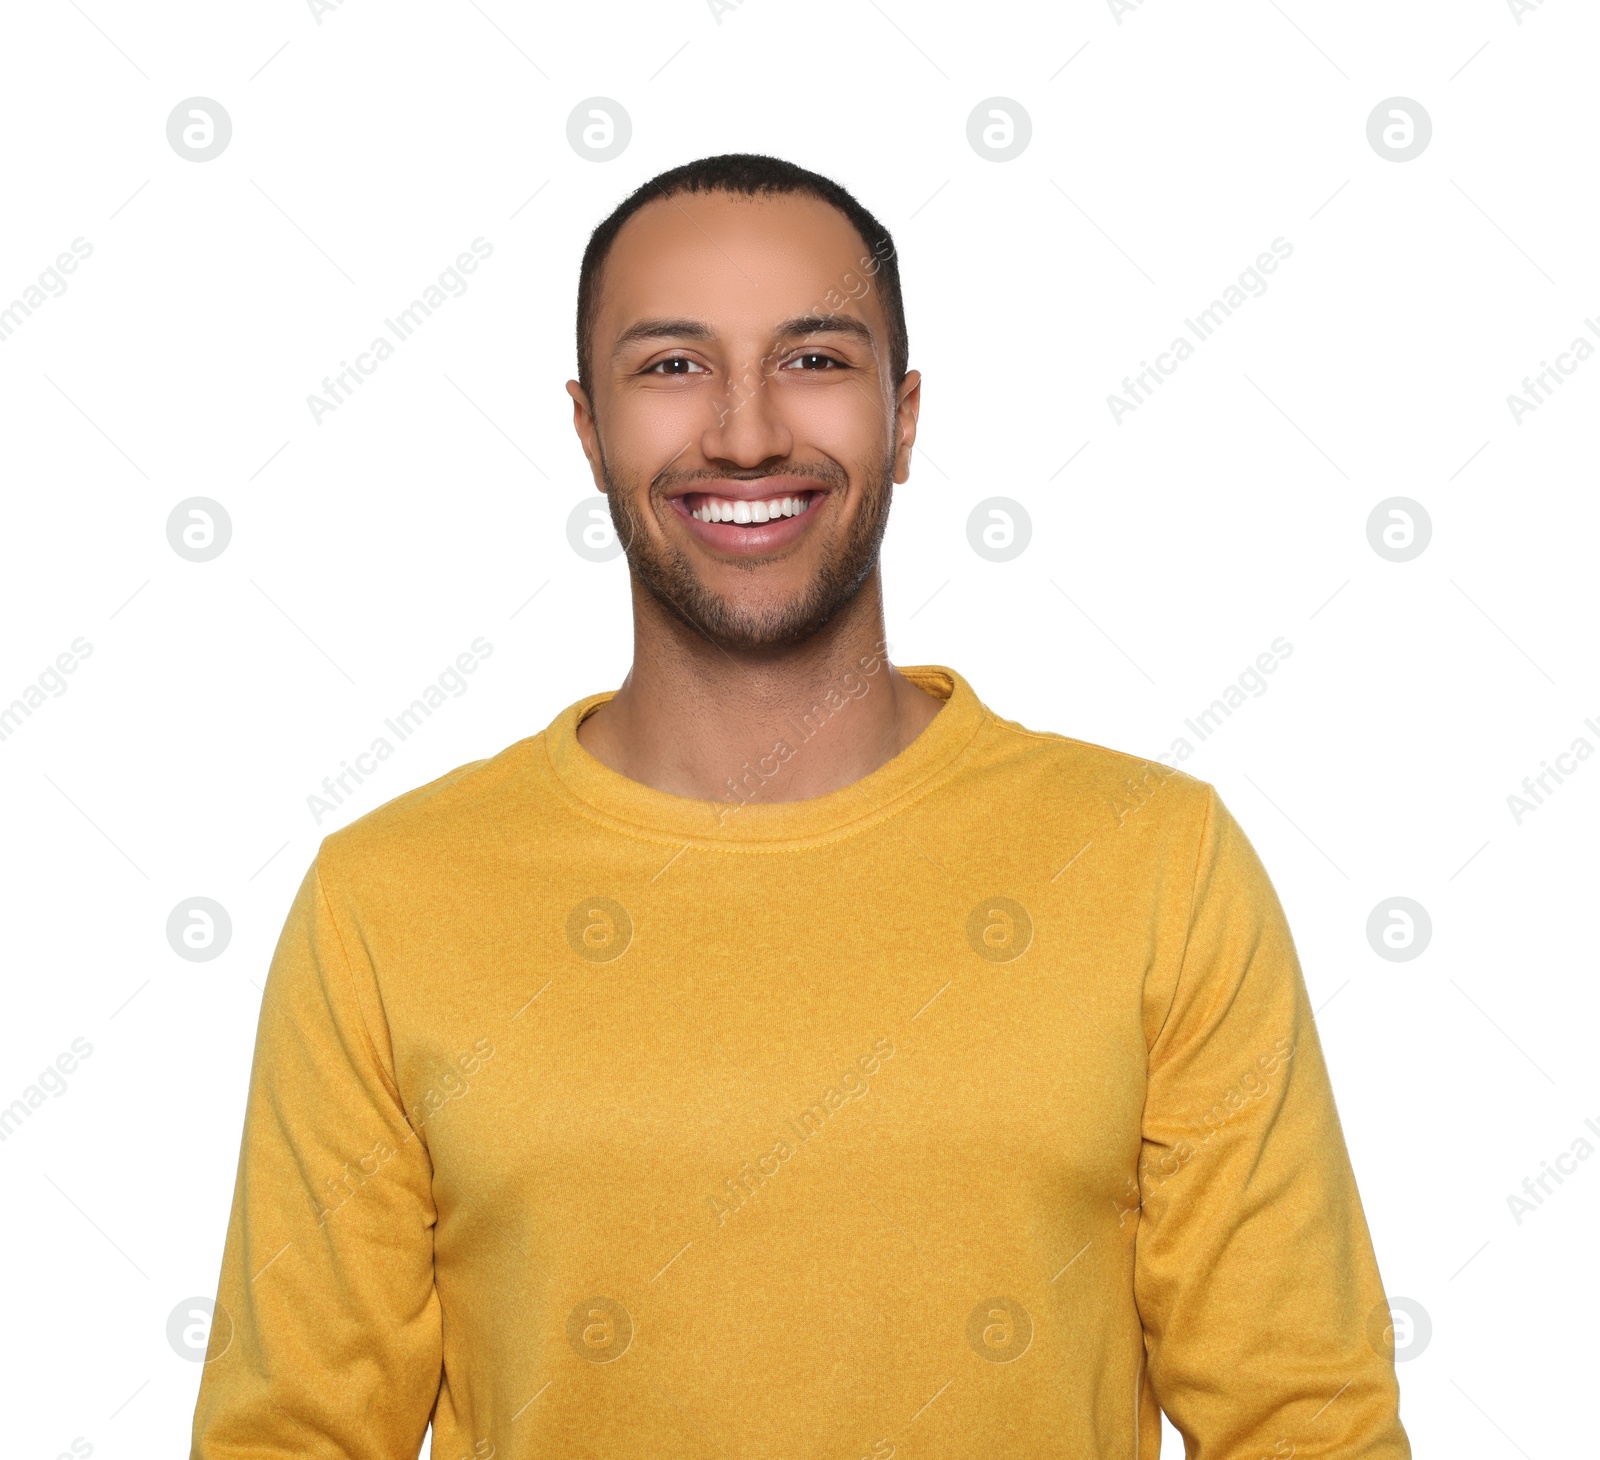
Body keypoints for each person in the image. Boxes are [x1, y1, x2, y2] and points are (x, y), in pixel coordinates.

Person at [191, 153, 1411, 1458]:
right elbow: (298, 1436)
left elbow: (1302, 1424)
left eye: (815, 359)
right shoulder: (385, 901)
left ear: (905, 414)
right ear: (588, 425)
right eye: (672, 365)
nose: (747, 430)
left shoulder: (1156, 863)